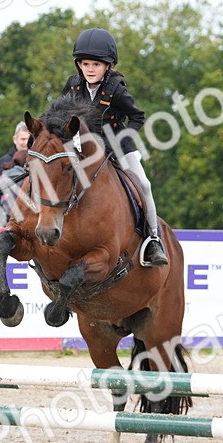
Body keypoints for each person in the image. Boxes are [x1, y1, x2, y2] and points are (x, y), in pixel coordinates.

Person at [63, 27, 167, 266]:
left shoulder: (116, 89)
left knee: (145, 185)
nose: (90, 69)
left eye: (96, 65)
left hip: (117, 145)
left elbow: (138, 117)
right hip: (82, 146)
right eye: (85, 64)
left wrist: (118, 142)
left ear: (107, 66)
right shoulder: (72, 86)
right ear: (79, 64)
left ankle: (153, 239)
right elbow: (58, 113)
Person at [0, 121, 30, 196]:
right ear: (15, 139)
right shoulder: (2, 162)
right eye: (23, 139)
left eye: (29, 139)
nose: (26, 143)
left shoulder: (37, 162)